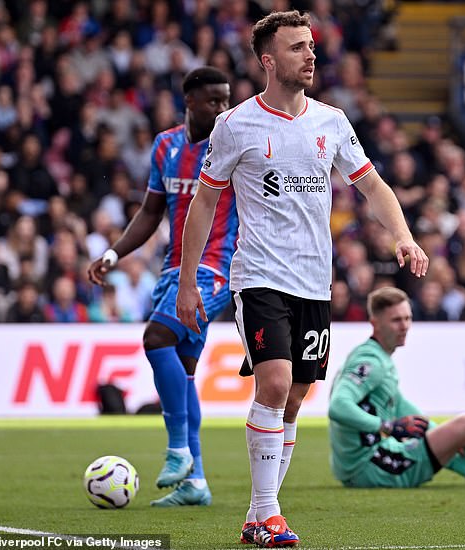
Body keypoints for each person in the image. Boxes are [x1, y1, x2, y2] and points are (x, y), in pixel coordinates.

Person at [175, 11, 428, 548]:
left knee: (293, 398)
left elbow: (374, 187)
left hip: (314, 283)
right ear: (268, 61)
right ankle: (269, 513)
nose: (310, 55)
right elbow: (204, 202)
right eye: (297, 48)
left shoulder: (332, 122)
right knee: (271, 385)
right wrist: (188, 281)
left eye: (311, 46)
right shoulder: (237, 124)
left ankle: (255, 515)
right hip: (260, 276)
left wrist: (403, 235)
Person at [87, 67, 236, 507]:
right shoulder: (166, 145)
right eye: (213, 101)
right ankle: (197, 483)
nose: (222, 109)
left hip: (216, 270)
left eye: (226, 99)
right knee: (185, 372)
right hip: (174, 269)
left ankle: (177, 450)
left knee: (157, 337)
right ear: (189, 101)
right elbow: (151, 213)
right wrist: (114, 254)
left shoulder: (233, 145)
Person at [328, 286, 465, 490]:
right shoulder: (372, 362)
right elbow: (338, 406)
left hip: (362, 467)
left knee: (442, 430)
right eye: (396, 320)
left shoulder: (377, 358)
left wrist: (453, 443)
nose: (405, 326)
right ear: (375, 323)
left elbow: (413, 417)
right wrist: (388, 427)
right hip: (376, 468)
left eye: (408, 318)